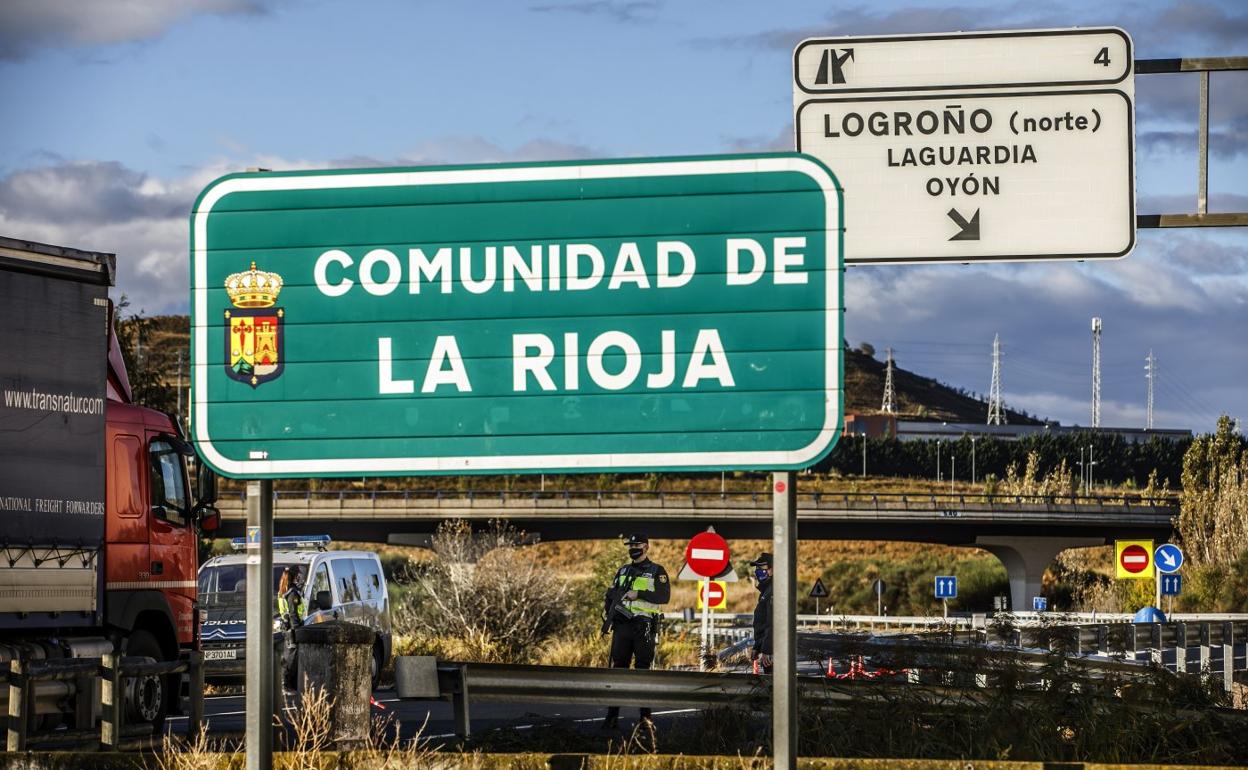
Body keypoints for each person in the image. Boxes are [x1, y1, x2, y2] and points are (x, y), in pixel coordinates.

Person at [601, 533, 670, 729]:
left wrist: (638, 594)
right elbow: (611, 594)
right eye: (630, 545)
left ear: (646, 547)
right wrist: (610, 614)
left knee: (643, 671)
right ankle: (612, 716)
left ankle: (645, 719)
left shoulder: (657, 571)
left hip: (644, 626)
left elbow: (664, 596)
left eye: (636, 544)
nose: (633, 548)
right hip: (622, 626)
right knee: (618, 670)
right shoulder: (622, 570)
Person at [276, 565, 306, 690]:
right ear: (294, 576)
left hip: (287, 628)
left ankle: (289, 685)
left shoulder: (284, 590)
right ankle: (285, 684)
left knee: (289, 657)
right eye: (298, 574)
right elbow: (293, 614)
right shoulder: (292, 593)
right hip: (293, 629)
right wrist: (297, 631)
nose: (299, 577)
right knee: (291, 659)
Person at [749, 552, 774, 674]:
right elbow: (762, 624)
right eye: (756, 568)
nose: (757, 571)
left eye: (761, 568)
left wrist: (767, 650)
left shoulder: (774, 590)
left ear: (772, 569)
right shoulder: (766, 590)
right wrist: (757, 647)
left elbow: (773, 623)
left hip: (773, 652)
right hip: (768, 649)